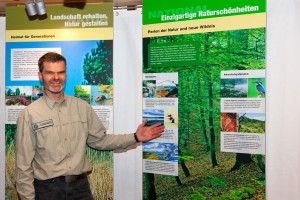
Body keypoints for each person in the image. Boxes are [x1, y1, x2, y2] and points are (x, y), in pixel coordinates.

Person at [15, 52, 165, 200]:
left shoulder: (82, 107)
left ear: (66, 74)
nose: (56, 77)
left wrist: (135, 137)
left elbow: (101, 141)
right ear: (40, 76)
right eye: (50, 73)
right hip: (47, 191)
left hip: (80, 189)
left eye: (61, 72)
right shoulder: (29, 114)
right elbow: (23, 165)